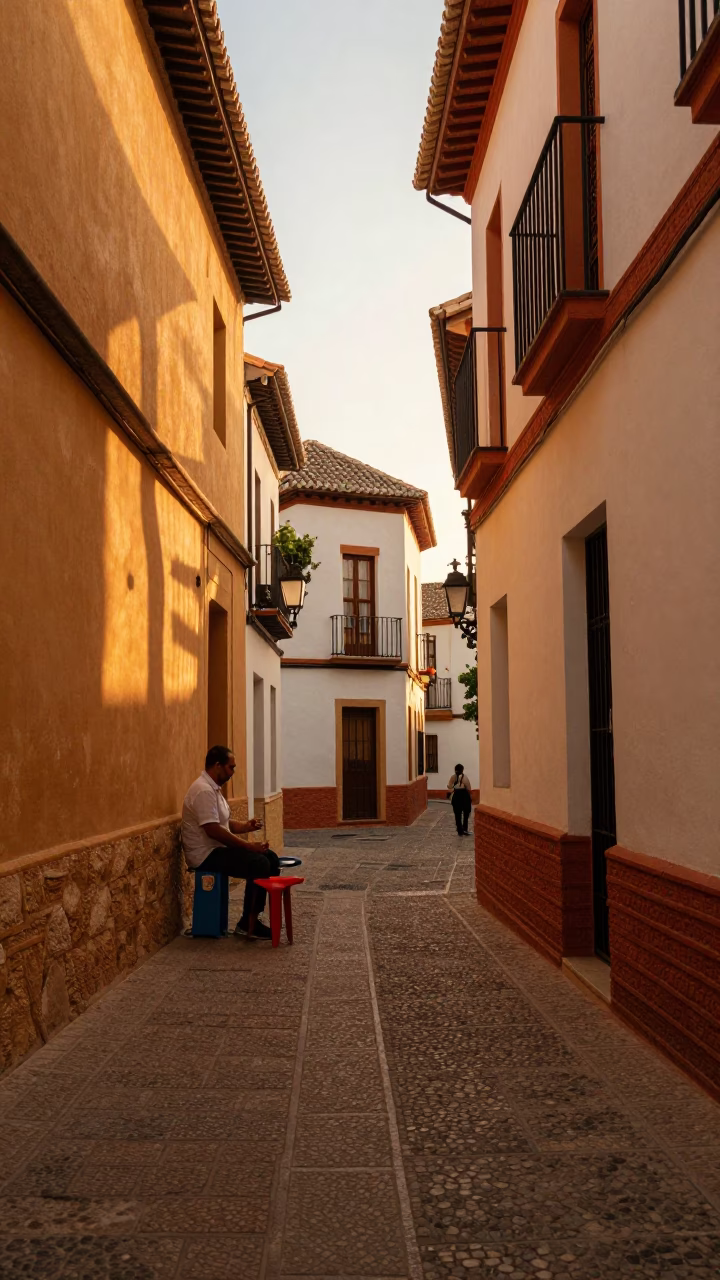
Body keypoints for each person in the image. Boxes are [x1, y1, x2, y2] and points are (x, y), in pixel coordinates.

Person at [182, 745, 280, 939]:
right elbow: (213, 830)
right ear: (217, 765)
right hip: (205, 855)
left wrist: (246, 826)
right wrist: (248, 846)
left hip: (216, 850)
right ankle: (248, 924)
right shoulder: (203, 791)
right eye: (231, 767)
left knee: (271, 858)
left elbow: (223, 824)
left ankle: (254, 917)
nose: (233, 772)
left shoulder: (213, 789)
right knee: (259, 863)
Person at [447, 763, 472, 836]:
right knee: (466, 813)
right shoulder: (465, 777)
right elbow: (469, 787)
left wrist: (453, 788)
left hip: (456, 796)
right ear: (462, 770)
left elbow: (449, 787)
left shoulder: (453, 777)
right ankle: (465, 829)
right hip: (464, 796)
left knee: (457, 814)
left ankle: (459, 830)